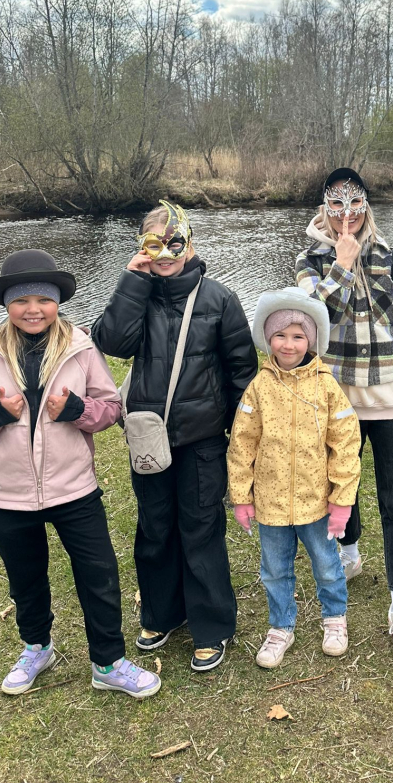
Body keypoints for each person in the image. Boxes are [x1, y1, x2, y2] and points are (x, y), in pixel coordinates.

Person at [0, 249, 160, 699]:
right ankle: (36, 647)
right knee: (26, 581)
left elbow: (110, 409)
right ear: (6, 304)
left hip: (75, 490)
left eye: (43, 299)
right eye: (21, 300)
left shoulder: (81, 349)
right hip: (9, 495)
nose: (34, 309)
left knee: (99, 577)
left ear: (57, 302)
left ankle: (108, 662)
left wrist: (78, 410)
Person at [91, 201, 258, 673]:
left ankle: (211, 626)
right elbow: (112, 342)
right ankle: (162, 614)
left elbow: (242, 372)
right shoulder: (137, 292)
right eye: (154, 244)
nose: (165, 254)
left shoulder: (220, 299)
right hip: (149, 437)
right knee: (155, 527)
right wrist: (133, 282)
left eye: (174, 243)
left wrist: (241, 437)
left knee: (201, 529)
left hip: (203, 439)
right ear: (142, 247)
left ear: (190, 243)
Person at [295, 168, 393, 663]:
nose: (346, 214)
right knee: (341, 488)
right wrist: (341, 263)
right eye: (336, 205)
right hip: (337, 400)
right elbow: (310, 321)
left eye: (354, 204)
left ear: (366, 206)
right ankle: (350, 553)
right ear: (324, 209)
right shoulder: (310, 262)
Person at [227, 288, 361, 669]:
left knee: (327, 564)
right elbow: (242, 444)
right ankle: (281, 625)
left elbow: (345, 443)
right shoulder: (259, 387)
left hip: (315, 502)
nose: (289, 344)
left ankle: (334, 618)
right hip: (270, 503)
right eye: (281, 335)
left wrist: (341, 500)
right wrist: (241, 496)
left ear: (311, 340)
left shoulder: (326, 386)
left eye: (298, 336)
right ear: (268, 338)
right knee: (274, 569)